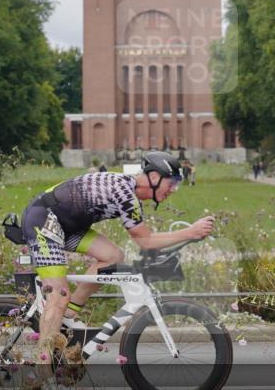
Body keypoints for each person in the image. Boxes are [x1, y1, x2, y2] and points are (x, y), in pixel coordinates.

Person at [20, 151, 214, 364]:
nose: (174, 189)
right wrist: (190, 232)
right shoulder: (125, 193)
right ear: (155, 178)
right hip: (43, 220)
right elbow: (145, 240)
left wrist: (186, 239)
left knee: (113, 257)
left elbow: (146, 240)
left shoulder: (130, 195)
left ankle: (68, 315)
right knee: (58, 297)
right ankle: (43, 370)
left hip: (67, 227)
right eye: (172, 182)